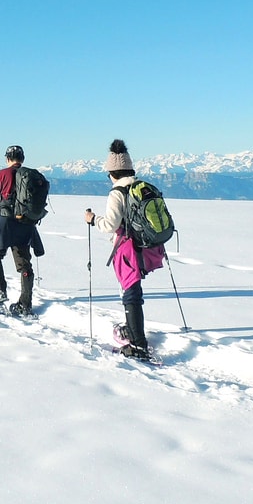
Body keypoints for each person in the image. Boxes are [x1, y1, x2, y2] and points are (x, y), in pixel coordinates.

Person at [83, 139, 166, 359]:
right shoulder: (144, 187)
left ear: (112, 173)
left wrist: (93, 219)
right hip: (150, 245)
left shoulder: (117, 192)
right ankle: (133, 330)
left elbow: (110, 225)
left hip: (129, 247)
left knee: (130, 292)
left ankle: (137, 344)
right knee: (133, 290)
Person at [0, 144, 44, 316]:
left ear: (7, 158)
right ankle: (25, 303)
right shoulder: (32, 175)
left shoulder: (3, 174)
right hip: (25, 223)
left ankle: (0, 292)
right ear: (22, 159)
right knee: (24, 263)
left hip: (5, 222)